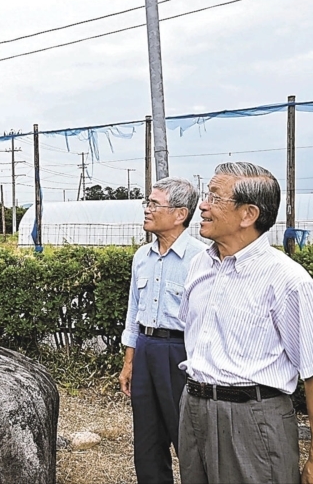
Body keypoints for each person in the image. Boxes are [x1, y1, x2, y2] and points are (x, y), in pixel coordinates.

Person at [178, 162, 313, 484]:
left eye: (215, 197)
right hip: (194, 408)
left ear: (248, 214)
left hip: (253, 418)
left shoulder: (287, 280)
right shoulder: (201, 263)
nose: (202, 205)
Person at [119, 177, 206, 484]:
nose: (147, 209)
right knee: (147, 440)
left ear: (180, 214)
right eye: (148, 202)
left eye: (154, 204)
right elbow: (134, 311)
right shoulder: (141, 256)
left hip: (181, 354)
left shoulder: (202, 259)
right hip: (145, 349)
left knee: (188, 438)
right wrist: (129, 362)